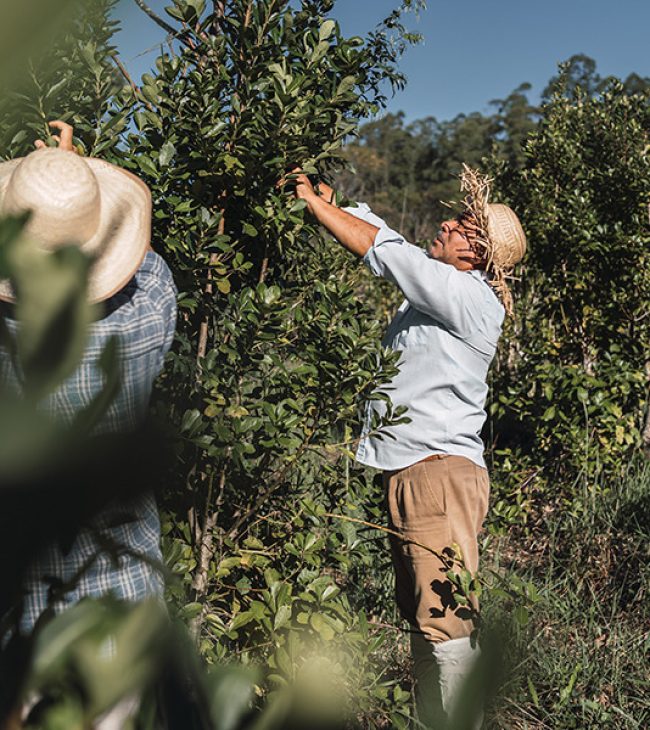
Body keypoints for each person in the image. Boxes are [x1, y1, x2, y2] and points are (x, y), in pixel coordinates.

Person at [285, 165, 526, 728]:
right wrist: (334, 200)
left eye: (463, 224)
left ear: (479, 255)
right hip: (416, 471)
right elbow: (388, 240)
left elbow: (391, 255)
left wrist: (317, 209)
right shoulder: (441, 295)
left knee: (445, 618)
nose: (446, 223)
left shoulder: (469, 297)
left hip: (439, 473)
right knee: (424, 614)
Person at [0, 121, 177, 728]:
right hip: (123, 613)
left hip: (27, 624)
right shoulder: (150, 310)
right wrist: (76, 179)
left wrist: (38, 197)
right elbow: (141, 262)